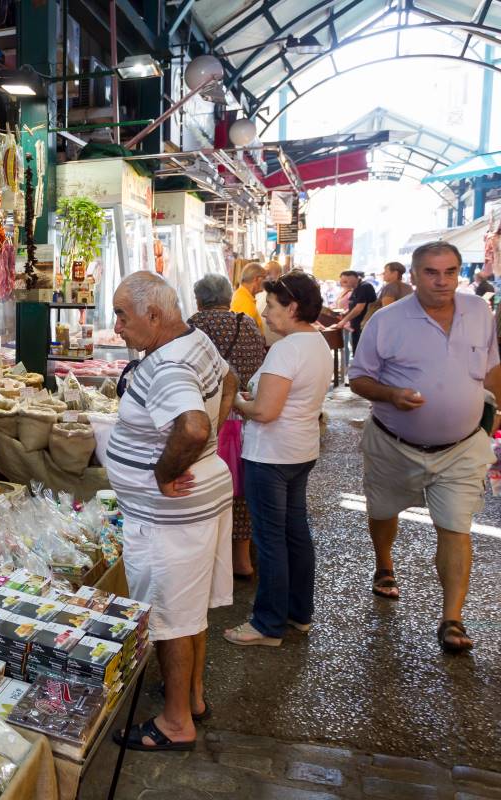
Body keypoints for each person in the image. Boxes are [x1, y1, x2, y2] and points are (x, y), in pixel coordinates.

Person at [348, 242, 501, 654]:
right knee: (382, 511)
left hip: (462, 447)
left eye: (450, 272)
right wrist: (392, 394)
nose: (442, 281)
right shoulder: (387, 320)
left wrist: (495, 415)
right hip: (394, 444)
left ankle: (452, 618)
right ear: (413, 276)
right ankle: (384, 564)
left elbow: (490, 368)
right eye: (432, 272)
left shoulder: (478, 312)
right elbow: (359, 379)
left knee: (456, 528)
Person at [106, 272, 236, 752]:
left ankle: (176, 722)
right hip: (195, 507)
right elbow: (229, 378)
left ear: (154, 316)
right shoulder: (193, 338)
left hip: (171, 518)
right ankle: (193, 696)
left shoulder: (167, 366)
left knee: (169, 618)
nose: (116, 325)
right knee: (189, 611)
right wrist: (203, 453)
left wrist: (165, 472)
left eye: (122, 315)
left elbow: (194, 426)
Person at [223, 271, 332, 646]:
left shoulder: (288, 349)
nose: (265, 313)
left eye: (270, 305)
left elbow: (266, 411)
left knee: (271, 539)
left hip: (271, 455)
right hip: (299, 450)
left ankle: (268, 624)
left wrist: (235, 398)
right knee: (295, 533)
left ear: (293, 307)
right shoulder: (317, 343)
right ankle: (298, 613)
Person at [189, 274, 267, 579]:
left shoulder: (195, 326)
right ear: (227, 297)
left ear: (199, 299)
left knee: (206, 486)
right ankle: (242, 559)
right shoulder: (246, 323)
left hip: (209, 418)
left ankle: (209, 560)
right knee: (241, 491)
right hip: (244, 416)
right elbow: (258, 364)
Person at [333, 270, 376, 353]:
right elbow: (354, 305)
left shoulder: (364, 287)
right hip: (356, 326)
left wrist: (344, 321)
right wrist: (346, 312)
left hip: (364, 326)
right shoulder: (355, 288)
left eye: (345, 282)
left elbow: (359, 308)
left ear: (353, 279)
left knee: (362, 352)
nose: (343, 284)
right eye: (341, 282)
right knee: (356, 350)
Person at [230, 262, 266, 331]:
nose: (265, 281)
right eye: (264, 277)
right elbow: (245, 334)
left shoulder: (241, 295)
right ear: (256, 279)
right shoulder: (245, 303)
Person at [258, 261, 284, 346]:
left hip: (277, 341)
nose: (266, 276)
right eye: (264, 274)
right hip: (262, 340)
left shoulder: (284, 296)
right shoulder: (258, 292)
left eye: (269, 273)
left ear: (279, 274)